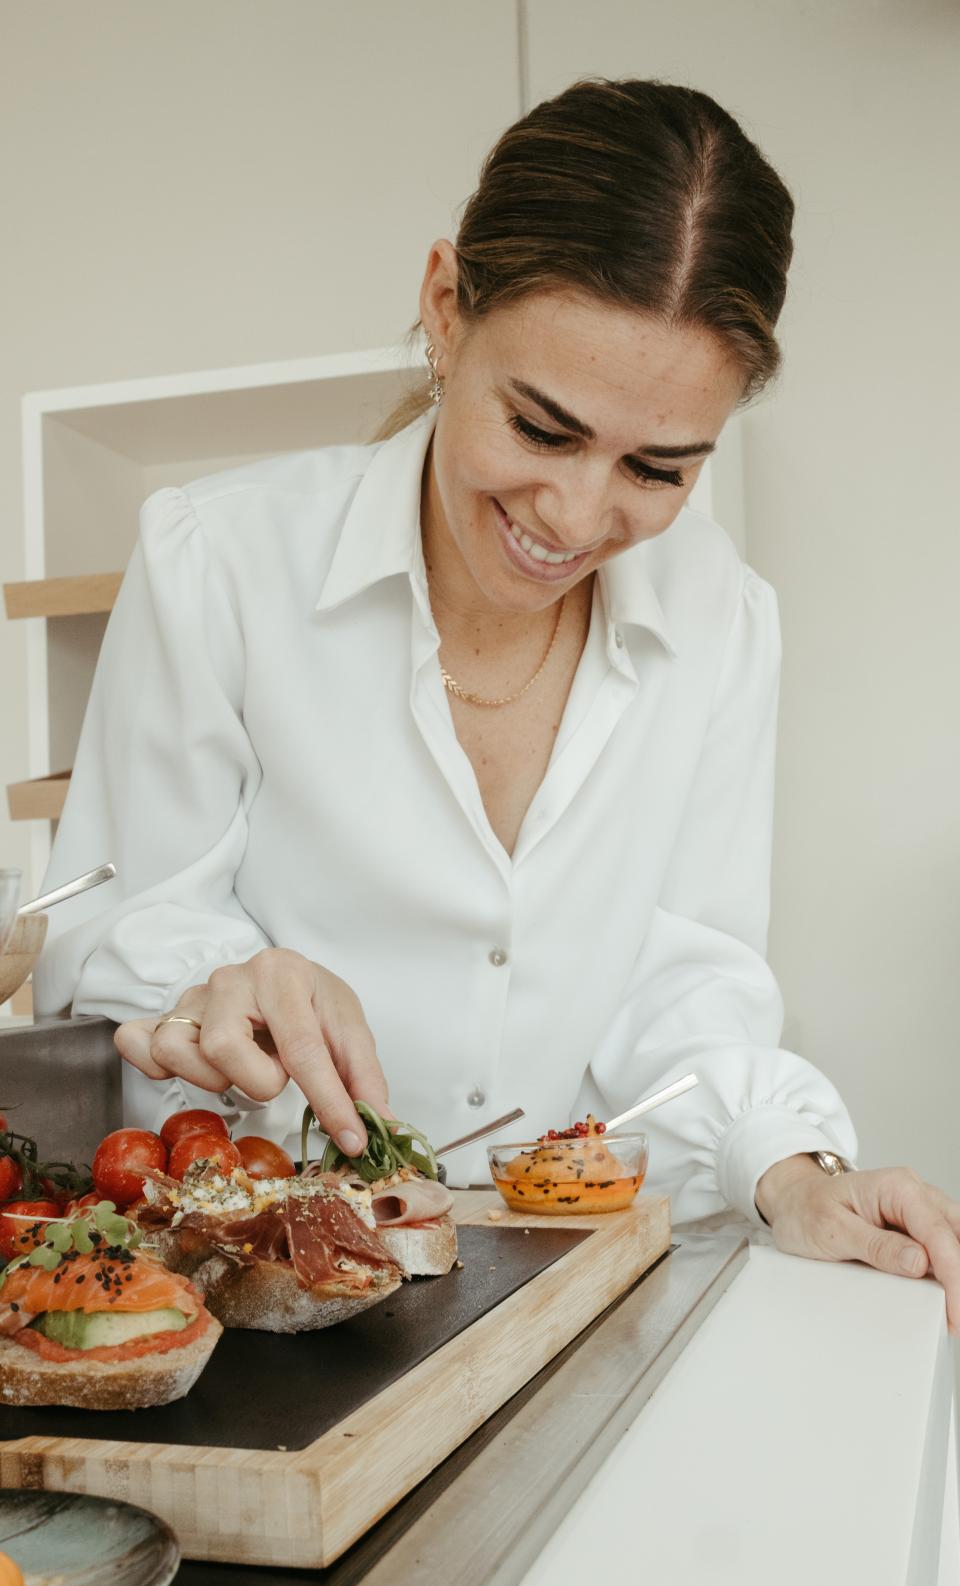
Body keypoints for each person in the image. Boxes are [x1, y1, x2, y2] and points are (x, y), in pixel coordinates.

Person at [34, 78, 960, 1327]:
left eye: (656, 467)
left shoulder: (726, 622)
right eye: (541, 425)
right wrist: (224, 979)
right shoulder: (218, 562)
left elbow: (686, 988)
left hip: (583, 1306)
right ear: (444, 308)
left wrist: (791, 1169)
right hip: (262, 1303)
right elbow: (102, 958)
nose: (576, 520)